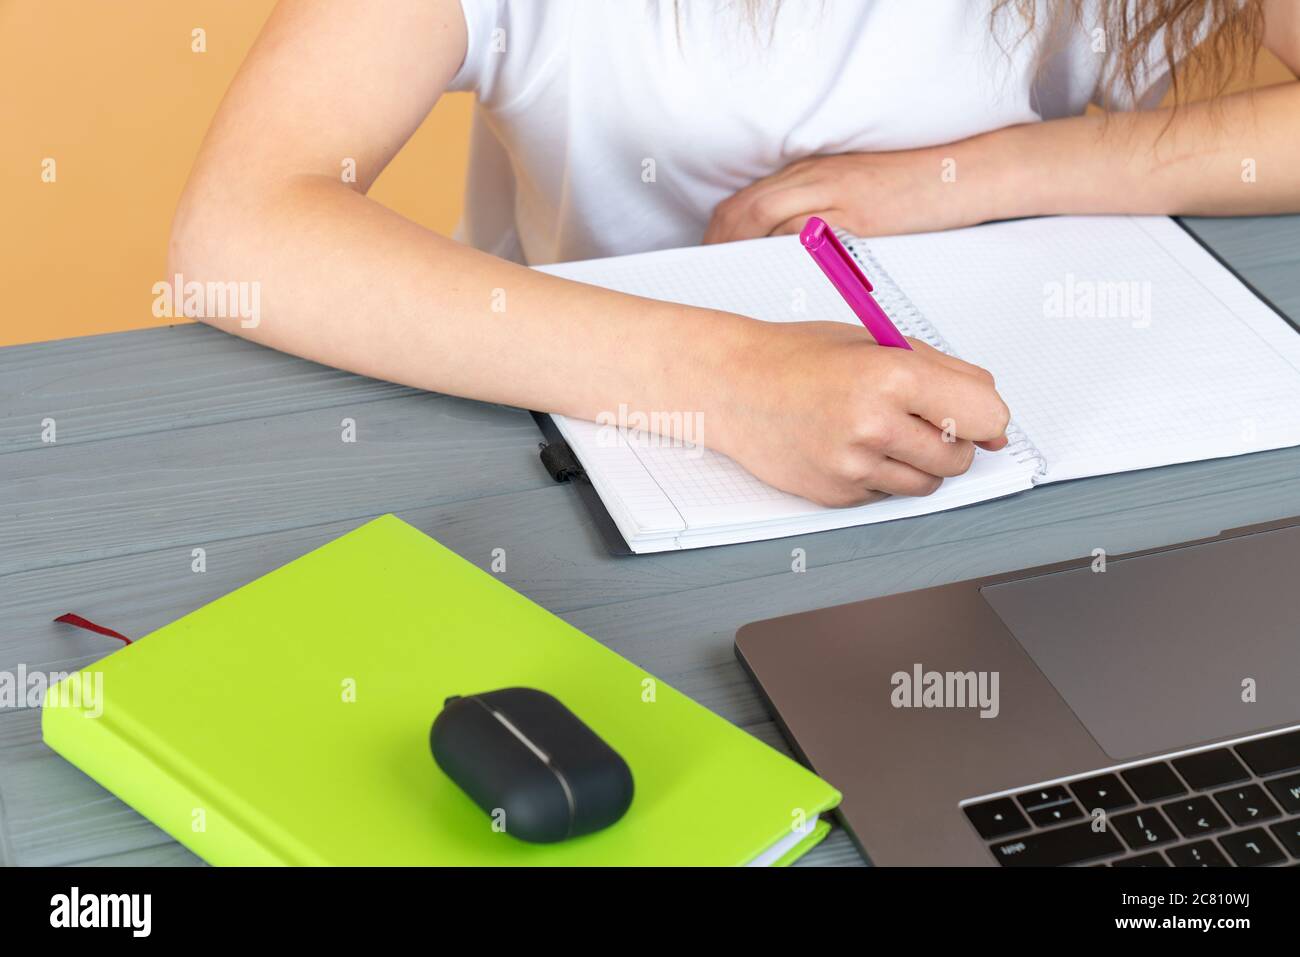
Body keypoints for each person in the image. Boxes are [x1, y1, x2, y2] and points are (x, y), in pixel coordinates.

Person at [169, 0, 1299, 506]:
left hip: (1032, 426)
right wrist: (730, 385)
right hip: (590, 428)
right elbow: (240, 230)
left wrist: (979, 171)